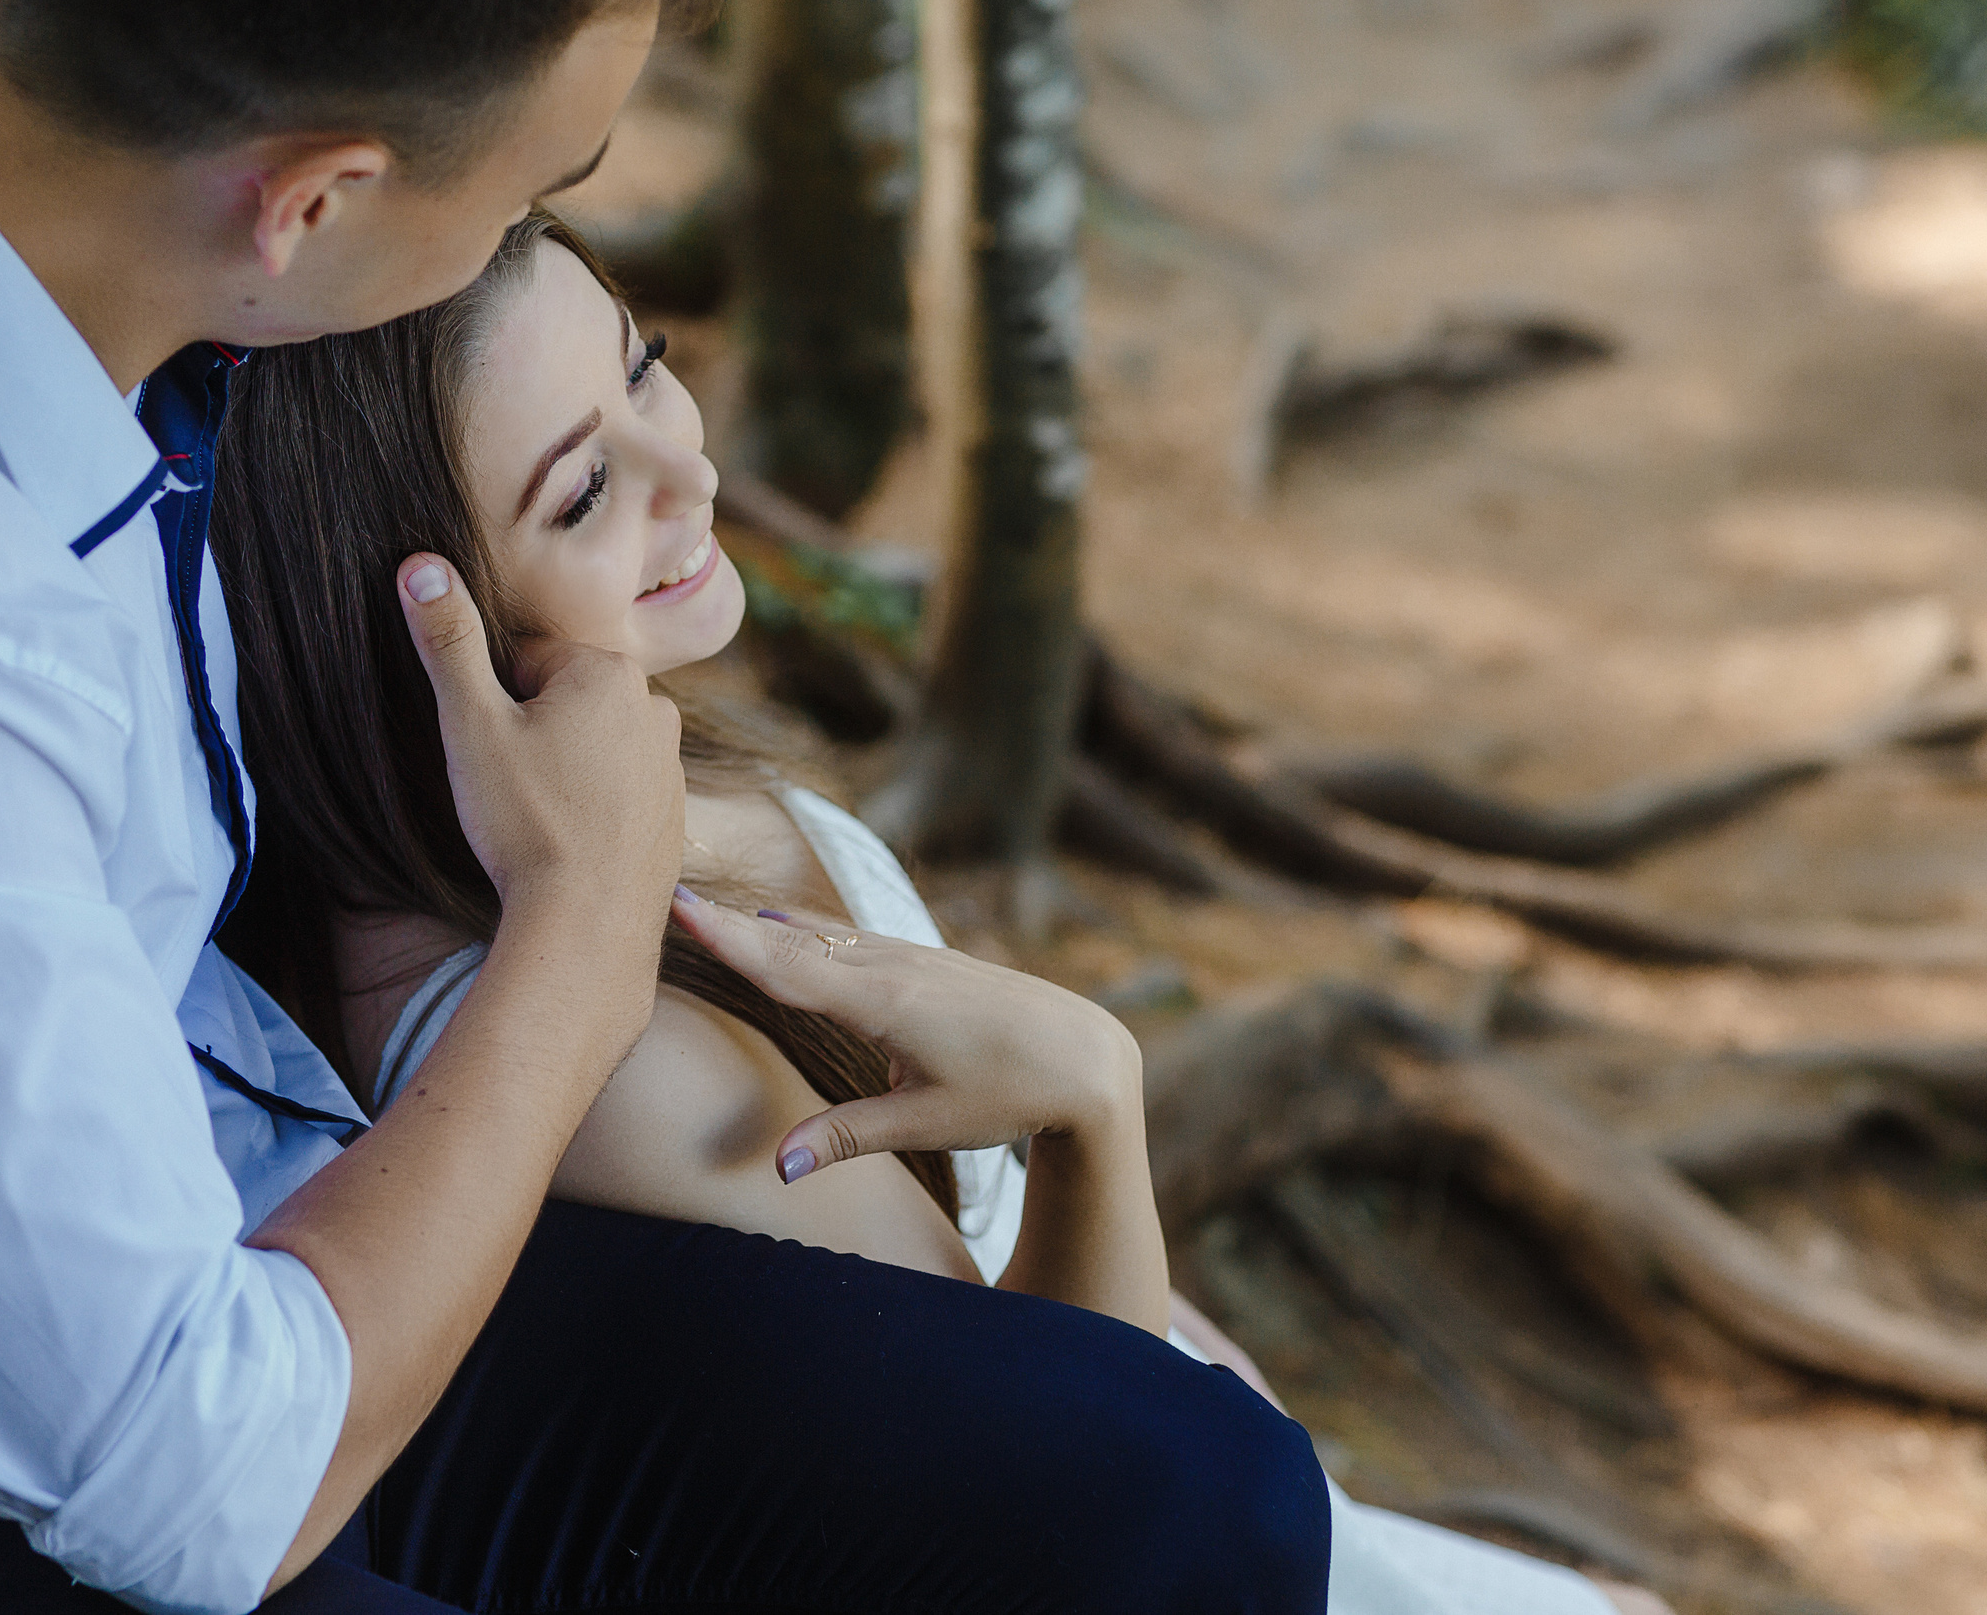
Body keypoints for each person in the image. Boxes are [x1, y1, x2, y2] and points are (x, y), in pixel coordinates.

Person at [0, 0, 1329, 1613]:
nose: (522, 249)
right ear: (311, 208)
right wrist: (578, 924)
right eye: (522, 195)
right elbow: (192, 1493)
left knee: (1181, 1492)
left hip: (219, 1222)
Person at [211, 210, 1669, 1615]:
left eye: (646, 368)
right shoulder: (611, 1062)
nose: (693, 476)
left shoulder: (644, 782)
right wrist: (1097, 1109)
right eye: (585, 492)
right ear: (404, 632)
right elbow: (1066, 1483)